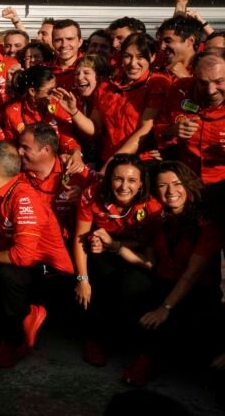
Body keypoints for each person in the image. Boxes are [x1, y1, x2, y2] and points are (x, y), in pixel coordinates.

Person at [0, 141, 73, 367]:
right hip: (28, 267)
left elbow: (22, 256)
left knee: (7, 274)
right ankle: (11, 329)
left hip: (52, 275)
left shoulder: (23, 196)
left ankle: (16, 340)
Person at [122, 161, 223, 386]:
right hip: (164, 282)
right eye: (162, 186)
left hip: (196, 292)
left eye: (176, 184)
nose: (170, 192)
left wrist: (165, 308)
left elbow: (194, 272)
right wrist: (111, 244)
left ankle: (148, 360)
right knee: (132, 286)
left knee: (169, 317)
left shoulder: (205, 223)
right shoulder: (161, 217)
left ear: (188, 185)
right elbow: (144, 243)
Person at [72, 154, 162, 367]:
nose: (124, 186)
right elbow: (80, 238)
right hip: (101, 254)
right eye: (118, 179)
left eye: (132, 180)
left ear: (141, 183)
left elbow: (150, 250)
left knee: (136, 284)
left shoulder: (153, 207)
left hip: (135, 257)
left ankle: (143, 353)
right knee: (96, 275)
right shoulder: (91, 195)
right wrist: (82, 279)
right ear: (108, 179)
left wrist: (115, 244)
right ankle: (96, 339)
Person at [90, 33, 171, 164]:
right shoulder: (106, 86)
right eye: (127, 56)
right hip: (105, 159)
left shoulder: (157, 83)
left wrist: (112, 163)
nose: (133, 63)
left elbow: (145, 129)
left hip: (140, 162)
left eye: (141, 57)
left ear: (152, 57)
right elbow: (95, 127)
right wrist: (73, 112)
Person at [155, 48, 225, 185]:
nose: (211, 90)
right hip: (186, 181)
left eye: (219, 81)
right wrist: (171, 130)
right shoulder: (180, 90)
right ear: (194, 76)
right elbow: (158, 129)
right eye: (203, 82)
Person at [18, 123, 91, 245]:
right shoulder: (15, 175)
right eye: (19, 146)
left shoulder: (77, 172)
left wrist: (84, 198)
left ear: (46, 150)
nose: (19, 151)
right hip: (31, 248)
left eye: (25, 147)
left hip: (71, 247)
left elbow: (105, 199)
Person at [3, 66, 82, 162]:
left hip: (57, 162)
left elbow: (68, 139)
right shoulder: (13, 112)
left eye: (55, 88)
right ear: (32, 91)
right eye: (50, 91)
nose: (54, 94)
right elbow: (11, 148)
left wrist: (75, 153)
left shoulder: (58, 105)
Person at [156, 15, 203, 80]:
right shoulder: (158, 69)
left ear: (190, 41)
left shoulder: (205, 69)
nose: (162, 47)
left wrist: (185, 78)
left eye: (168, 41)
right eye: (160, 42)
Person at [50, 19, 83, 91]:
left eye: (70, 39)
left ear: (80, 42)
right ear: (52, 43)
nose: (64, 45)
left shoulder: (92, 68)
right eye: (58, 40)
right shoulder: (44, 69)